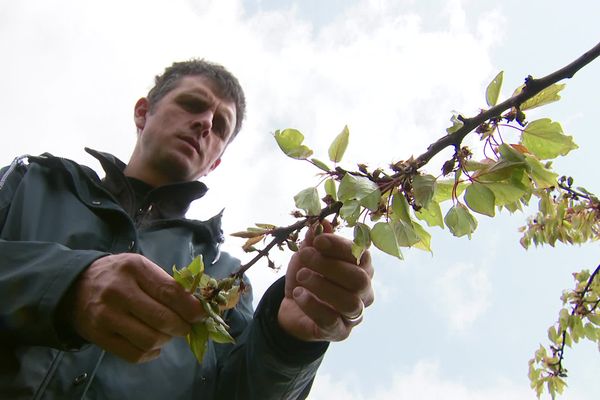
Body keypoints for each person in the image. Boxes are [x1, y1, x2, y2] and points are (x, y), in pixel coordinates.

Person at [0, 59, 374, 399]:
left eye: (221, 126)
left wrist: (289, 344)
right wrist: (65, 285)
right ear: (143, 113)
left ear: (215, 163)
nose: (206, 123)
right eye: (192, 105)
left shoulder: (226, 278)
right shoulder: (31, 183)